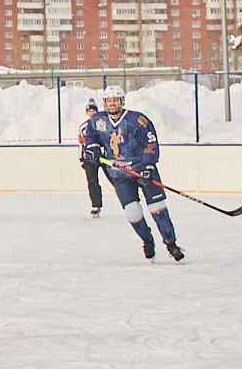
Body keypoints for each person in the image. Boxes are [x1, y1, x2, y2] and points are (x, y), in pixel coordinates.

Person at [94, 86, 182, 261]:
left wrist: (148, 165)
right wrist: (92, 148)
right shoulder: (98, 121)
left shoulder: (137, 119)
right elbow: (90, 137)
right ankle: (147, 241)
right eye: (109, 100)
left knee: (157, 209)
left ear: (122, 101)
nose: (112, 103)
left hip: (143, 170)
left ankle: (171, 244)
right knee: (133, 212)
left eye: (116, 100)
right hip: (120, 174)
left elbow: (151, 141)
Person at [75, 99, 108, 216]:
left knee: (115, 178)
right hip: (89, 158)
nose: (92, 113)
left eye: (94, 110)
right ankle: (96, 205)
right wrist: (81, 158)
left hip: (104, 157)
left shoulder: (103, 124)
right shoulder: (83, 127)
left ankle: (129, 201)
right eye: (89, 111)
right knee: (92, 182)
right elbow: (81, 144)